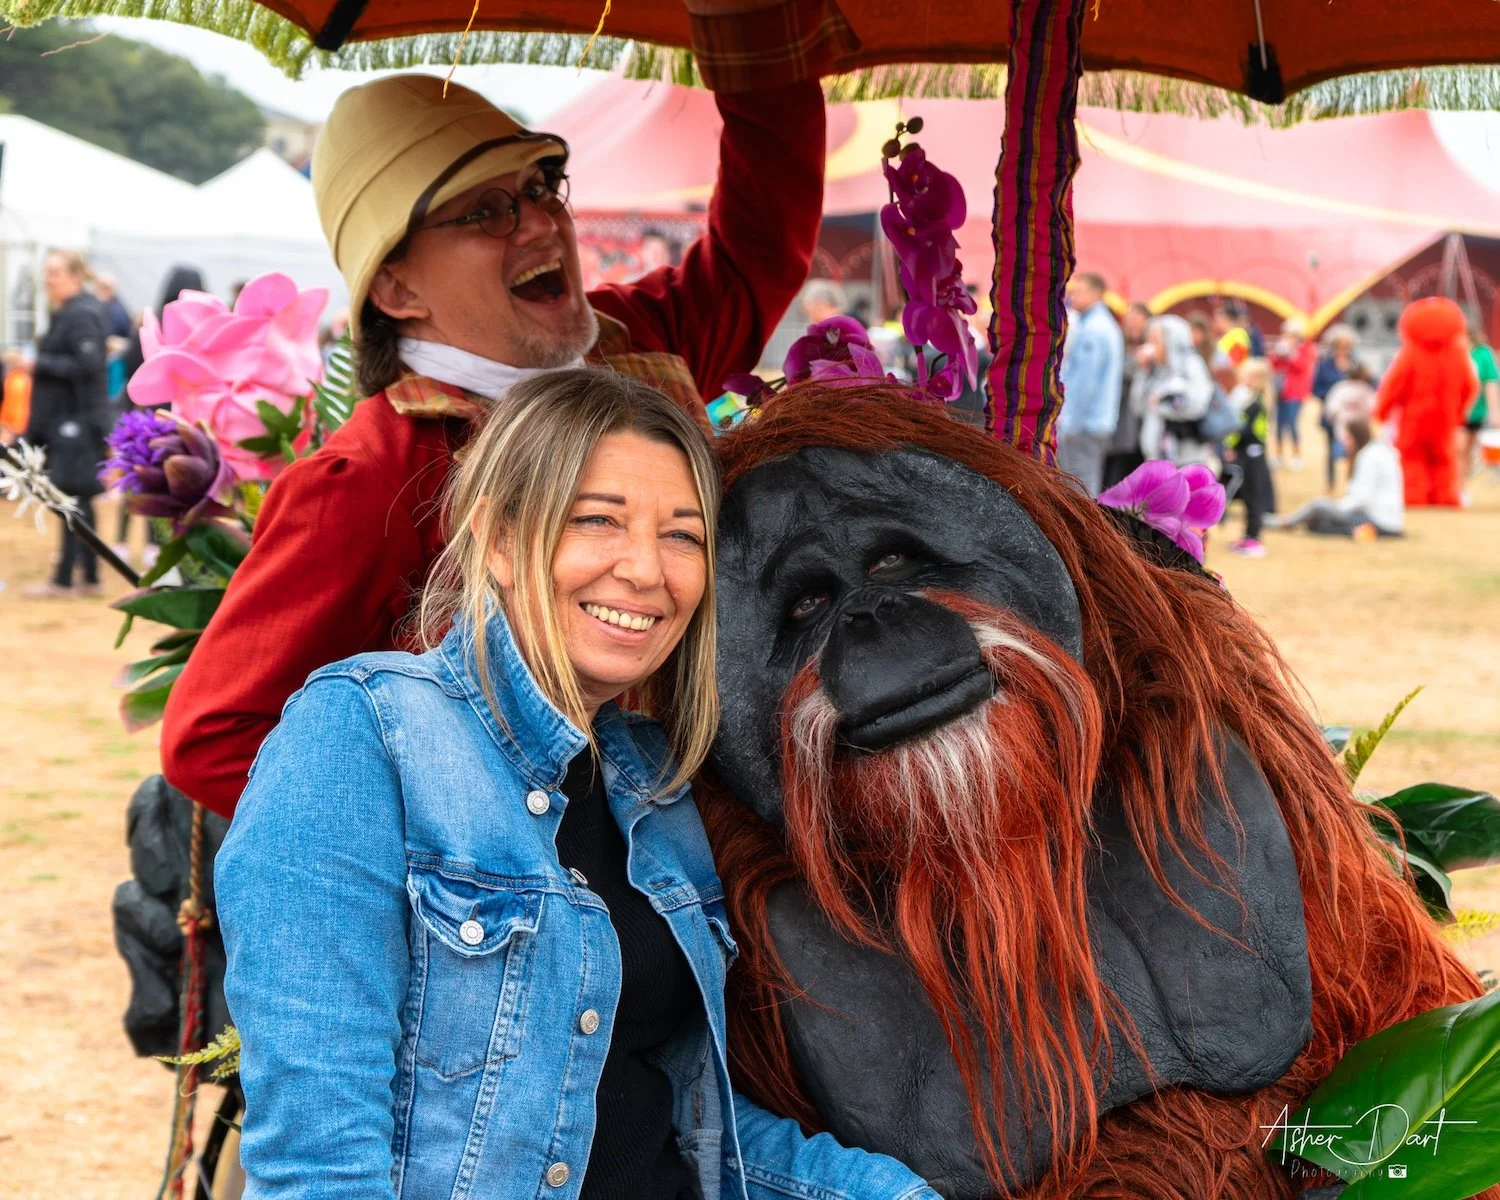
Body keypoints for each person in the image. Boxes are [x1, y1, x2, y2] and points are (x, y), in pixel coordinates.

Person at [215, 369, 937, 1200]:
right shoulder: (366, 736)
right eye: (598, 520)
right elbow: (319, 1162)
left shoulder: (651, 784)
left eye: (683, 535)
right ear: (496, 538)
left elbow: (681, 1123)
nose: (645, 570)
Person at [161, 0, 838, 818]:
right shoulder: (373, 477)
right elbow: (216, 736)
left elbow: (758, 248)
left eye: (540, 187)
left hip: (725, 832)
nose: (542, 224)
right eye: (484, 211)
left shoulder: (639, 339)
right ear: (396, 287)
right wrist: (464, 834)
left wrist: (750, 22)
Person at [8, 251, 111, 598]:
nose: (48, 279)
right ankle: (88, 576)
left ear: (75, 276)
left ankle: (68, 579)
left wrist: (38, 365)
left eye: (54, 273)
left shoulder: (82, 313)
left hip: (78, 423)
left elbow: (89, 364)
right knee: (77, 498)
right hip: (71, 422)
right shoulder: (71, 310)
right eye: (47, 272)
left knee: (69, 497)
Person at [1375, 297, 1475, 507]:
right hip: (1445, 418)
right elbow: (1470, 386)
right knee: (1444, 459)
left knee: (1412, 457)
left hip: (1414, 418)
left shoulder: (1410, 354)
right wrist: (1459, 412)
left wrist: (1381, 411)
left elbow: (1393, 385)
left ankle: (1414, 495)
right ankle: (1445, 496)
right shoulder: (1457, 354)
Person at [1269, 416, 1404, 538]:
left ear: (1355, 437)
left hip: (1377, 519)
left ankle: (1285, 523)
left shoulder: (1369, 457)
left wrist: (1338, 506)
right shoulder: (1377, 452)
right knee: (1318, 523)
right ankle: (1356, 530)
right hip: (1389, 519)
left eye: (1347, 438)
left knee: (1318, 506)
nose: (1344, 443)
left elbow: (1362, 499)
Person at [1056, 272, 1124, 495]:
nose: (1073, 295)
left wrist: (1071, 422)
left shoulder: (1094, 329)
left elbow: (1084, 382)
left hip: (1085, 422)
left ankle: (1079, 529)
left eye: (1080, 291)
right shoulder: (1099, 325)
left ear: (1096, 294)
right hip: (1092, 421)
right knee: (1082, 480)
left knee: (1079, 484)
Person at [1136, 314, 1217, 468]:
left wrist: (1161, 404)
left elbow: (1198, 405)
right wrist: (1143, 372)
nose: (1151, 346)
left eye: (1155, 341)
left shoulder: (1191, 365)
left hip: (1185, 460)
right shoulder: (1158, 370)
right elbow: (1138, 407)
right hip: (1157, 460)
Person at [1221, 357, 1276, 557]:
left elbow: (1242, 429)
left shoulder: (1255, 405)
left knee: (1254, 497)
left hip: (1253, 456)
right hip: (1250, 453)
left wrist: (1229, 444)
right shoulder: (1250, 400)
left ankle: (1254, 538)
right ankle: (1248, 535)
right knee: (1248, 496)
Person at [1102, 301, 1150, 489]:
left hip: (1143, 421)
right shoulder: (1118, 346)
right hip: (1120, 419)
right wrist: (1137, 362)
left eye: (1138, 321)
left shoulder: (1154, 349)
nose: (1133, 325)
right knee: (1114, 469)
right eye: (1130, 320)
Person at [1311, 324, 1358, 490]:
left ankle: (1352, 481)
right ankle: (1331, 481)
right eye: (1340, 345)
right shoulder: (1324, 365)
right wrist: (1332, 396)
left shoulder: (1355, 364)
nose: (1343, 348)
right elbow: (1315, 388)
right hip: (1332, 413)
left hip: (1352, 415)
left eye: (1346, 345)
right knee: (1330, 449)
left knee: (1354, 449)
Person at [1269, 317, 1317, 470]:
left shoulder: (1306, 348)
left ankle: (1297, 456)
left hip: (1295, 393)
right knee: (1279, 425)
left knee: (1291, 424)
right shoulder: (1284, 347)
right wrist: (1278, 354)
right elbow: (1274, 365)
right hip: (1281, 391)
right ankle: (1279, 455)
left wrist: (1291, 354)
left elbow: (1301, 366)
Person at [1464, 321, 1498, 484]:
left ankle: (1464, 479)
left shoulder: (1483, 354)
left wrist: (1495, 412)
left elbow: (1490, 384)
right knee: (1460, 447)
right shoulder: (1454, 352)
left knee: (1470, 446)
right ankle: (1460, 482)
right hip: (1458, 413)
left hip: (1477, 411)